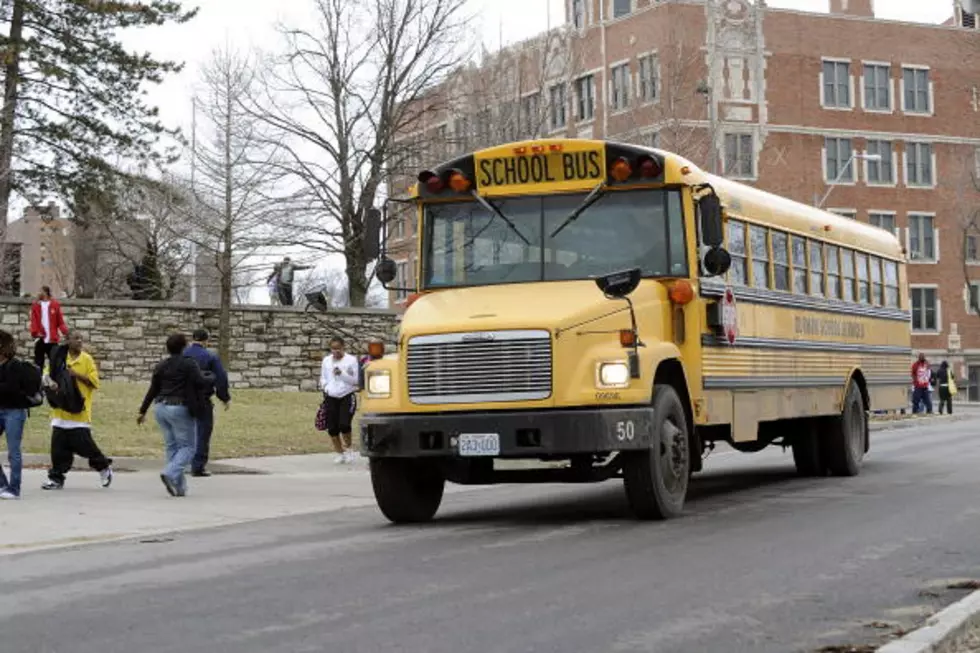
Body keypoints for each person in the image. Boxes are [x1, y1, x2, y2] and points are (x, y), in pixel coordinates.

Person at [138, 333, 210, 497]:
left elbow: (153, 389)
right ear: (184, 347)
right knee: (188, 447)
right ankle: (170, 473)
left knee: (172, 446)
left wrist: (143, 411)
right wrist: (210, 377)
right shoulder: (188, 363)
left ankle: (179, 487)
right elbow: (200, 382)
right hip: (179, 407)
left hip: (160, 407)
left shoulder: (161, 365)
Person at [41, 331, 114, 490]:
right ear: (67, 341)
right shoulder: (59, 358)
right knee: (58, 449)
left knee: (86, 447)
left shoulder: (86, 360)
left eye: (81, 338)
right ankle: (56, 478)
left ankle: (103, 467)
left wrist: (76, 375)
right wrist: (50, 382)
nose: (80, 341)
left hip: (79, 413)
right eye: (76, 338)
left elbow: (94, 382)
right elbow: (46, 375)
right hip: (60, 412)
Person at [0, 329, 42, 499]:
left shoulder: (15, 366)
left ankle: (14, 488)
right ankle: (2, 484)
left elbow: (12, 389)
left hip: (14, 412)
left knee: (13, 451)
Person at [183, 329, 231, 477]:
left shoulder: (183, 354)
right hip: (202, 399)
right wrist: (224, 397)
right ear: (206, 341)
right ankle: (197, 466)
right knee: (203, 431)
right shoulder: (210, 356)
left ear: (193, 339)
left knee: (185, 432)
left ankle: (180, 461)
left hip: (182, 398)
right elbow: (221, 378)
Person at [319, 337, 360, 464]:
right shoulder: (326, 360)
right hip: (331, 397)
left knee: (344, 424)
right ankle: (339, 453)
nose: (335, 351)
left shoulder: (351, 360)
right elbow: (323, 377)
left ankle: (349, 450)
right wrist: (325, 387)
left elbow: (356, 381)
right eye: (333, 349)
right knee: (332, 427)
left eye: (338, 348)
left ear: (343, 347)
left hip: (346, 396)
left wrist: (341, 374)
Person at [29, 286, 68, 369]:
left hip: (52, 339)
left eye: (41, 291)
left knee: (55, 362)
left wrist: (66, 332)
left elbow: (60, 321)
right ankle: (38, 380)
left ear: (46, 292)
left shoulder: (55, 305)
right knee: (38, 363)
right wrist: (35, 333)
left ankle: (55, 380)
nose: (39, 293)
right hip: (40, 338)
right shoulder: (36, 306)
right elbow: (34, 321)